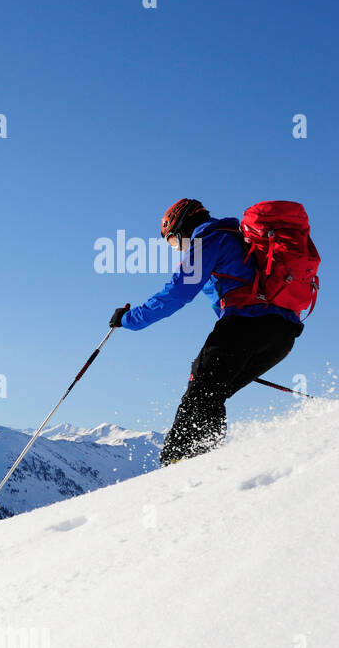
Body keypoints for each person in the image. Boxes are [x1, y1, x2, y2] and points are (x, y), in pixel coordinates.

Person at [110, 198, 305, 465]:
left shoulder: (208, 240)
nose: (178, 249)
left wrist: (128, 319)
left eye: (174, 242)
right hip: (282, 335)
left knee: (200, 395)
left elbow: (177, 293)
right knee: (210, 394)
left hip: (246, 327)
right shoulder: (240, 240)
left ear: (183, 228)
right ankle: (206, 466)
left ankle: (178, 467)